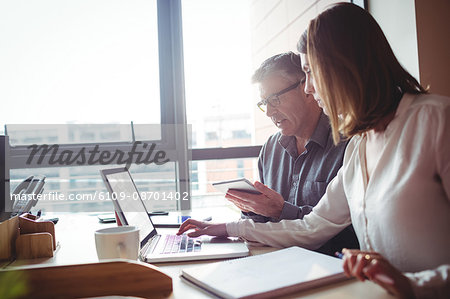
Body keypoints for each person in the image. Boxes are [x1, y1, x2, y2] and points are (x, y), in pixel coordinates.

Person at [179, 3, 450, 298]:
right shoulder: (360, 145)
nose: (309, 88)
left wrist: (414, 285)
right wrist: (228, 228)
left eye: (310, 72)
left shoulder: (437, 121)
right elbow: (311, 227)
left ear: (344, 66)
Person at [226, 51, 358, 255]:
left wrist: (281, 210)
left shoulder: (349, 143)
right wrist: (251, 207)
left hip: (331, 268)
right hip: (277, 262)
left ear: (306, 88)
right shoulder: (270, 148)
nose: (269, 112)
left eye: (275, 99)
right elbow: (263, 224)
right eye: (264, 103)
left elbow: (349, 231)